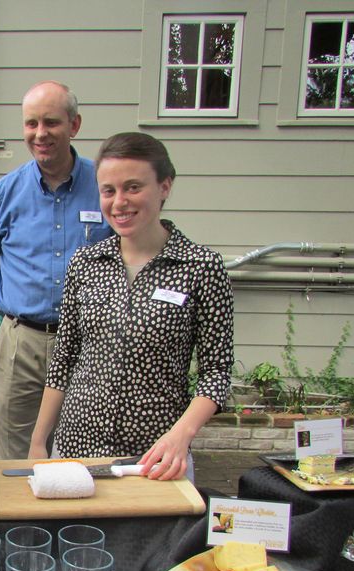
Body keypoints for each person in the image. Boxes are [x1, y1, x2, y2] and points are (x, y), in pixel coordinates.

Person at [28, 132, 234, 481]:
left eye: (133, 187)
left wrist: (180, 435)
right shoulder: (85, 262)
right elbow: (64, 359)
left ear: (165, 186)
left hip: (155, 457)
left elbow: (216, 373)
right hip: (78, 449)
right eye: (109, 190)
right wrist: (37, 442)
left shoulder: (201, 267)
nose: (119, 202)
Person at [0, 81, 112, 459]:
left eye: (51, 122)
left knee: (83, 449)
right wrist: (18, 318)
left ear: (74, 125)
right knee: (16, 453)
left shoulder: (104, 187)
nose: (40, 134)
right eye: (31, 123)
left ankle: (73, 520)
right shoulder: (6, 193)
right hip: (23, 341)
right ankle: (19, 520)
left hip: (90, 344)